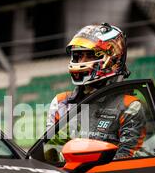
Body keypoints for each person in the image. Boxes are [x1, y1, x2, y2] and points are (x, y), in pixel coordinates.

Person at [46, 23, 147, 160]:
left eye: (89, 55)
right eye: (78, 56)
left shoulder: (130, 106)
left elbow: (128, 159)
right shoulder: (60, 103)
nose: (81, 62)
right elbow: (50, 154)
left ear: (113, 58)